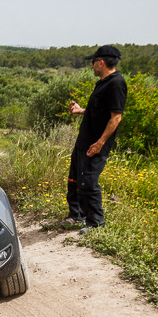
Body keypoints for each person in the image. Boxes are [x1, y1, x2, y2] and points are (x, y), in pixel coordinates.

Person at [62, 45, 127, 233]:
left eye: (93, 63)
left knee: (89, 181)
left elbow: (116, 117)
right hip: (84, 142)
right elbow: (99, 111)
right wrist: (80, 110)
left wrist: (100, 143)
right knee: (74, 179)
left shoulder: (116, 83)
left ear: (101, 62)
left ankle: (96, 224)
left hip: (96, 144)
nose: (92, 67)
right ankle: (76, 216)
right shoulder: (103, 83)